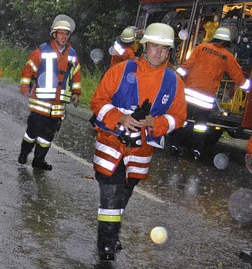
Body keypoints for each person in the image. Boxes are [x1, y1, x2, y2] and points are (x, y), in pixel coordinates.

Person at [90, 22, 187, 261]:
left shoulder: (174, 82)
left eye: (165, 49)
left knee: (125, 193)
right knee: (111, 194)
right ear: (145, 46)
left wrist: (156, 123)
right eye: (155, 46)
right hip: (111, 145)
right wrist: (119, 117)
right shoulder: (121, 70)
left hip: (141, 151)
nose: (159, 53)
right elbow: (98, 101)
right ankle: (106, 245)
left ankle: (111, 234)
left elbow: (179, 117)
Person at [170, 27, 250, 160]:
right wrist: (248, 86)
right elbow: (238, 78)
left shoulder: (201, 48)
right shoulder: (227, 57)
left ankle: (174, 145)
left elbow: (186, 66)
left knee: (182, 121)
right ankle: (196, 150)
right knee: (200, 127)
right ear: (227, 42)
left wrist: (175, 77)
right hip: (205, 100)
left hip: (188, 95)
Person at [17, 14, 82, 170]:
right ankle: (24, 154)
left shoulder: (72, 55)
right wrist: (25, 86)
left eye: (66, 34)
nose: (63, 36)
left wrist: (76, 92)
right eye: (60, 33)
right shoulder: (42, 50)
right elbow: (28, 69)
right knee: (32, 132)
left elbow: (76, 75)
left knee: (47, 136)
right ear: (54, 34)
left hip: (58, 105)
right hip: (40, 102)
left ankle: (38, 160)